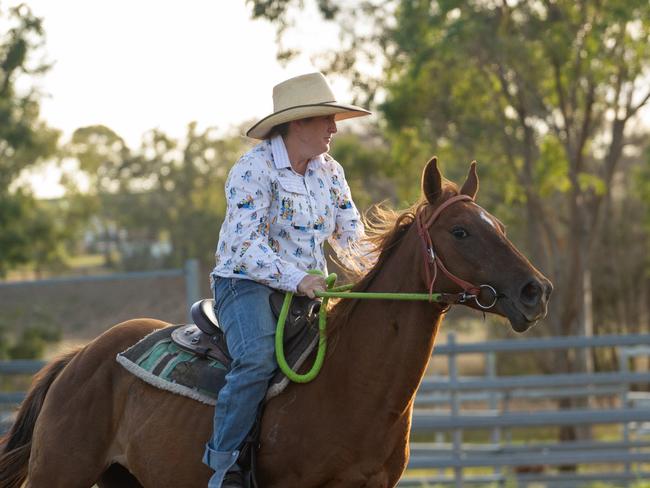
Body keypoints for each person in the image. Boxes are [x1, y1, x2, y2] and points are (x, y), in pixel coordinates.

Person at [203, 72, 372, 487]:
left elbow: (352, 238)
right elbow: (244, 246)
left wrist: (386, 272)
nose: (334, 128)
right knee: (257, 360)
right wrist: (299, 279)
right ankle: (223, 467)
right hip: (245, 286)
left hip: (309, 292)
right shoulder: (252, 169)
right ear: (299, 123)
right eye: (326, 119)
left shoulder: (330, 172)